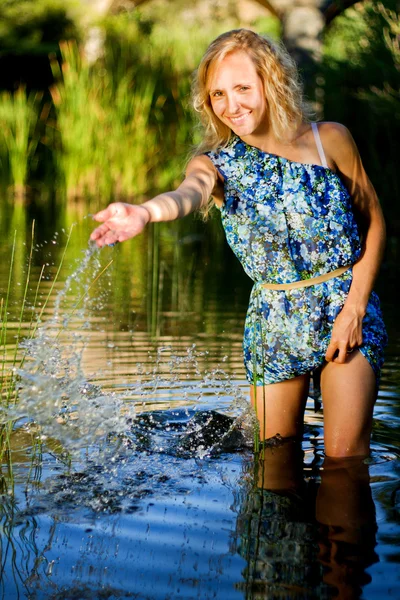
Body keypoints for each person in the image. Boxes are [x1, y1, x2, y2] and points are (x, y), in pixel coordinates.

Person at [90, 29, 387, 458]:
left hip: (346, 306)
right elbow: (188, 193)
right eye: (218, 95)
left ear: (271, 81)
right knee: (273, 464)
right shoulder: (215, 163)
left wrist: (356, 308)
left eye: (243, 88)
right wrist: (146, 212)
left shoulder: (330, 139)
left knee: (344, 463)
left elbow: (374, 222)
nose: (232, 106)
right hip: (273, 324)